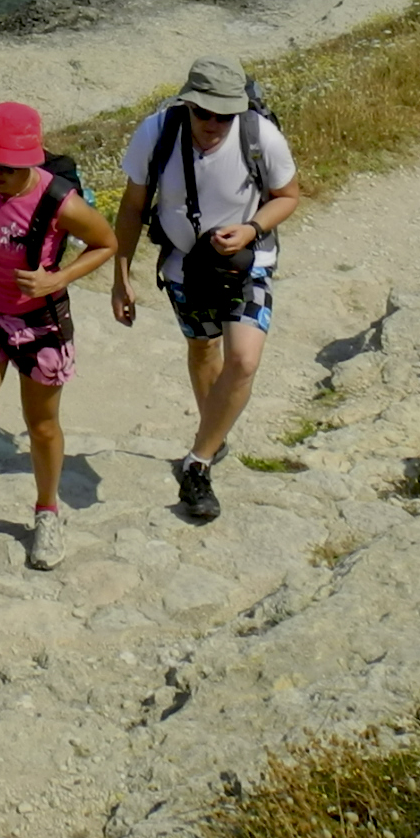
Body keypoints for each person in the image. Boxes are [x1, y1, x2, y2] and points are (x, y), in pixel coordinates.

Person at [0, 102, 116, 608]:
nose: (0, 176)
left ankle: (48, 510)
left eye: (11, 168)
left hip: (40, 322)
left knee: (43, 427)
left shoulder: (60, 201)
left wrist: (59, 277)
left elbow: (105, 242)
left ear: (31, 161)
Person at [110, 58, 299, 522]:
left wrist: (252, 229)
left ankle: (197, 463)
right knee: (202, 350)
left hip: (246, 265)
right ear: (187, 104)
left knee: (243, 360)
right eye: (204, 113)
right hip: (183, 269)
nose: (213, 125)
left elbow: (290, 195)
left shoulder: (261, 137)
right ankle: (215, 435)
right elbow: (132, 208)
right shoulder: (155, 133)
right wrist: (121, 276)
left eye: (224, 116)